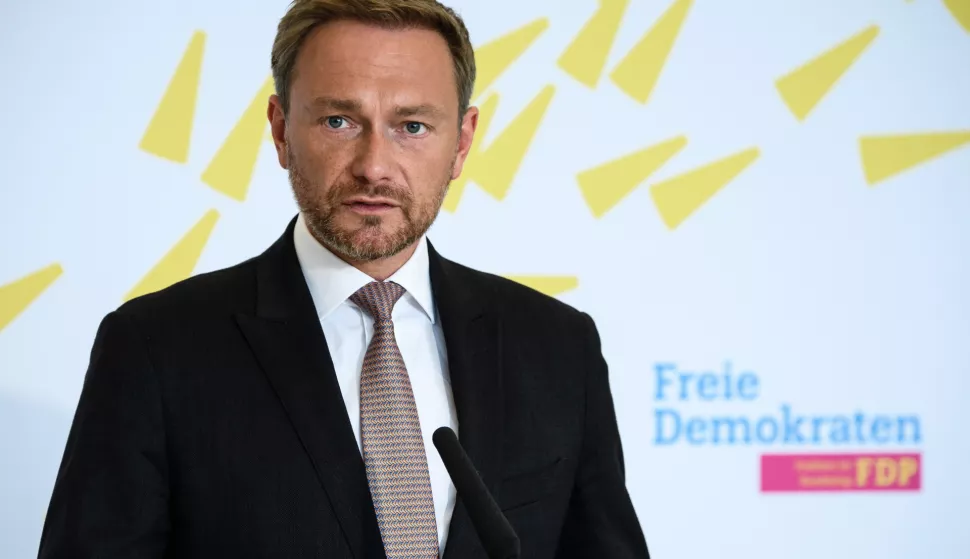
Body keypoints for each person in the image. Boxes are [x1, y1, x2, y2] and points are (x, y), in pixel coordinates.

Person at [37, 1, 650, 557]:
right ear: (281, 129)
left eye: (412, 126)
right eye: (338, 121)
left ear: (462, 143)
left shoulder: (557, 346)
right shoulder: (155, 348)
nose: (374, 166)